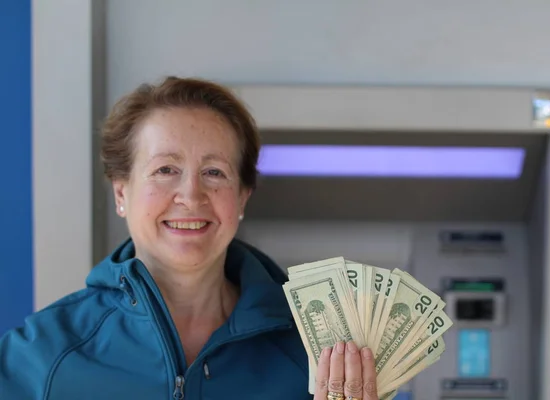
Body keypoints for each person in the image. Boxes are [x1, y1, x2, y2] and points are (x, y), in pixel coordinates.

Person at [0, 76, 380, 400]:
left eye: (214, 172)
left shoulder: (322, 352)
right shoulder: (41, 358)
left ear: (242, 196)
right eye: (165, 169)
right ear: (121, 193)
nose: (191, 196)